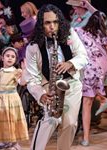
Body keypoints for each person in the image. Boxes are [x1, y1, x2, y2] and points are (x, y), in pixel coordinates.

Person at [24, 4, 88, 150]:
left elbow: (83, 56)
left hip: (71, 83)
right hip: (49, 86)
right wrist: (41, 95)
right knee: (51, 120)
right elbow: (31, 78)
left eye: (55, 22)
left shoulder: (69, 33)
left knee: (71, 124)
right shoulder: (33, 47)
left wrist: (70, 64)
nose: (52, 26)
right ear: (41, 24)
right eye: (47, 23)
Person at [75, 11, 107, 146]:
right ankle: (103, 99)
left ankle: (86, 138)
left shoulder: (79, 31)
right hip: (100, 71)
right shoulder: (103, 36)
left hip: (87, 70)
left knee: (86, 104)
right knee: (89, 102)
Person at [0, 47, 29, 150]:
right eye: (7, 56)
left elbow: (22, 82)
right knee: (2, 119)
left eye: (13, 57)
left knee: (12, 119)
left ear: (15, 59)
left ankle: (13, 142)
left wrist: (25, 70)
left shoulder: (16, 71)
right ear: (2, 58)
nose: (10, 58)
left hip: (12, 99)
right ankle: (4, 140)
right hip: (1, 100)